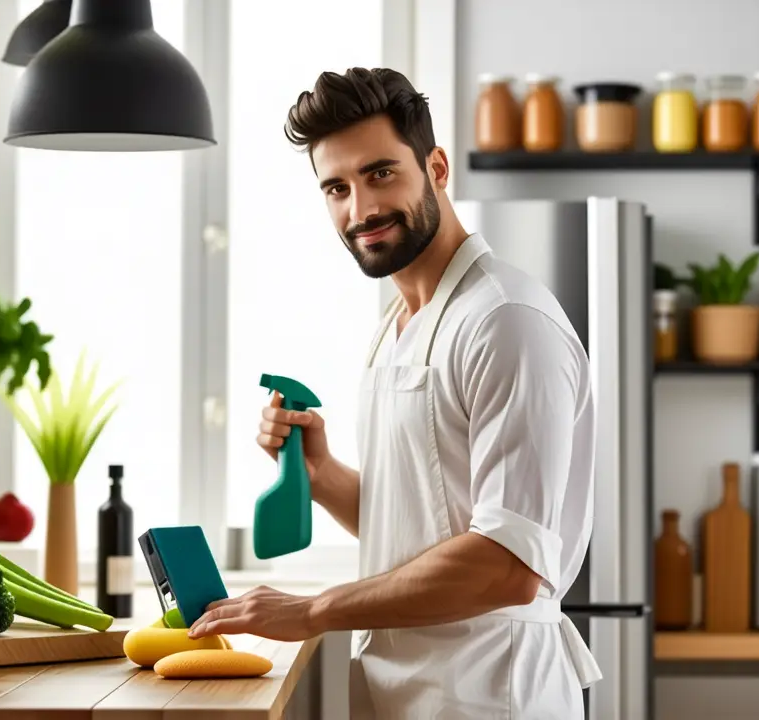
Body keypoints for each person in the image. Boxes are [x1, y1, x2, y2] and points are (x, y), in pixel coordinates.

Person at [187, 67, 601, 719]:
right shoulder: (398, 325)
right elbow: (425, 526)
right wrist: (322, 476)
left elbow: (507, 565)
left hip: (490, 694)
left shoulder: (506, 321)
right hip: (405, 691)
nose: (361, 210)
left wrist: (313, 610)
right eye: (337, 188)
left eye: (381, 173)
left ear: (435, 167)